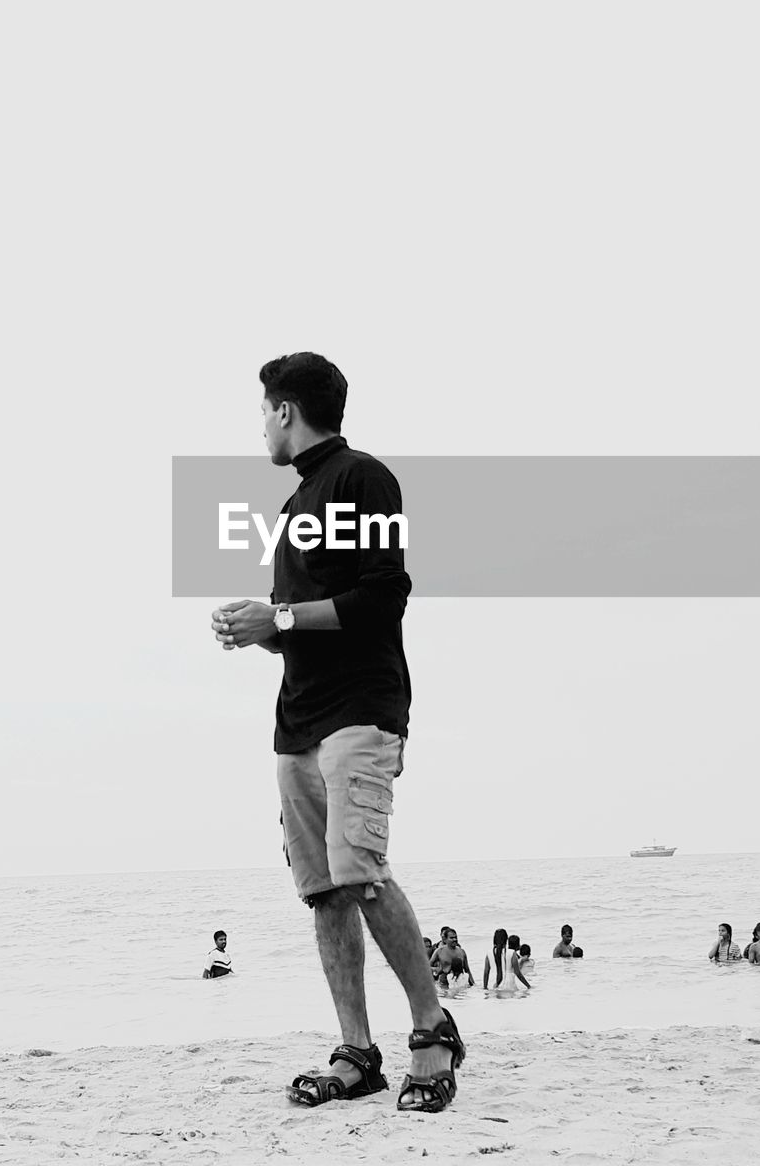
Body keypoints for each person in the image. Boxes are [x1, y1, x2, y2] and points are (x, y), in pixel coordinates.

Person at [210, 353, 465, 1114]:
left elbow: (384, 597)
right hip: (298, 720)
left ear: (286, 411)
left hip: (361, 707)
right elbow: (303, 629)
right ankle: (358, 1052)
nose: (260, 425)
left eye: (263, 410)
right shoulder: (296, 507)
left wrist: (278, 615)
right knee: (324, 893)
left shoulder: (362, 478)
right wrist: (257, 627)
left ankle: (432, 1031)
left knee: (360, 872)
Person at [483, 927, 531, 992]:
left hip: (493, 984)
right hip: (508, 985)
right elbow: (518, 973)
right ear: (506, 940)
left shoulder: (489, 953)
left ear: (494, 940)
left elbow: (486, 973)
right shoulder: (511, 953)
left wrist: (485, 988)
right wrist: (528, 986)